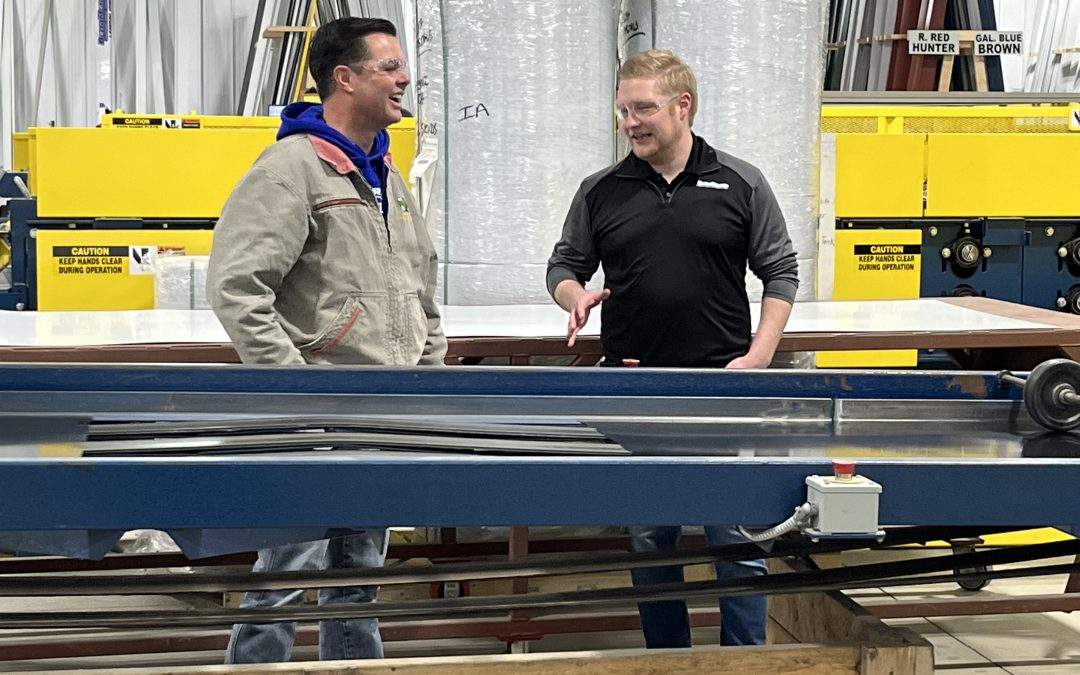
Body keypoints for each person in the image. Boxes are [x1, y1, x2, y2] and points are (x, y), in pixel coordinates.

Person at [206, 17, 445, 663]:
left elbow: (418, 280)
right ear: (345, 78)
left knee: (358, 577)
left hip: (382, 412)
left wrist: (426, 373)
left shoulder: (383, 173)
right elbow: (237, 287)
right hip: (316, 415)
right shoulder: (292, 170)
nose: (404, 80)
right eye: (389, 67)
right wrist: (297, 386)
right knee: (285, 574)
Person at [546, 49, 799, 648]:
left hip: (723, 389)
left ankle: (744, 662)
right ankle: (667, 658)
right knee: (650, 540)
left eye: (643, 109)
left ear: (682, 106)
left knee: (737, 539)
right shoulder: (601, 190)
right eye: (622, 111)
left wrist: (759, 356)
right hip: (635, 390)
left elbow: (780, 271)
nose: (629, 123)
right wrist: (574, 297)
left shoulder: (740, 182)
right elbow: (564, 265)